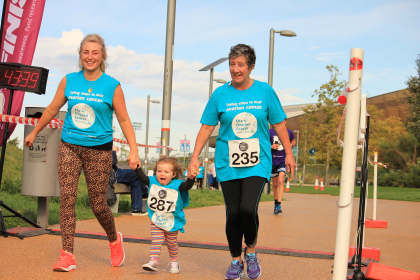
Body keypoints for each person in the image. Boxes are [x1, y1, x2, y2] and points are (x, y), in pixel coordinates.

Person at [24, 34, 140, 272]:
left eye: (95, 53)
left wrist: (134, 150)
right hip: (69, 146)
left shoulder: (112, 85)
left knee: (98, 204)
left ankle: (113, 238)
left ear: (102, 56)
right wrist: (34, 132)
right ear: (80, 55)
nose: (90, 57)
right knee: (67, 199)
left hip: (99, 151)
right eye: (86, 52)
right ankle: (67, 254)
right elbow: (52, 108)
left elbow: (125, 119)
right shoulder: (69, 81)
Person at [188, 44, 295, 280]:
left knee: (248, 208)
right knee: (233, 213)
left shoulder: (265, 91)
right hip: (228, 161)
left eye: (241, 65)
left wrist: (288, 153)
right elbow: (206, 127)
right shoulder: (220, 95)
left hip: (258, 160)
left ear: (251, 67)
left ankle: (252, 253)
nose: (235, 69)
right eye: (232, 64)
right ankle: (235, 260)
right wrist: (194, 157)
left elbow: (279, 124)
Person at [135, 156, 197, 274]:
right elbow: (142, 178)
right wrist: (137, 167)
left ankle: (174, 261)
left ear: (173, 174)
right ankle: (153, 261)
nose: (162, 174)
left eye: (166, 172)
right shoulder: (152, 181)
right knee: (156, 240)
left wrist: (191, 178)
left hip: (172, 221)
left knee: (171, 243)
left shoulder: (178, 184)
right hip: (157, 219)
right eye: (159, 171)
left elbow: (187, 186)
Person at [112, 145, 148, 216]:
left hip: (116, 173)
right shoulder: (99, 148)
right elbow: (112, 162)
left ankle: (136, 209)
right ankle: (144, 192)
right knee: (136, 172)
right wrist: (113, 151)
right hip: (113, 175)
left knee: (136, 182)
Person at [270, 119, 296, 214]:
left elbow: (293, 142)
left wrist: (290, 144)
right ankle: (275, 202)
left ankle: (279, 204)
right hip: (272, 160)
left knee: (281, 180)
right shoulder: (269, 132)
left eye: (282, 120)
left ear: (285, 121)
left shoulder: (289, 132)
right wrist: (271, 146)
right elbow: (263, 144)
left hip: (282, 160)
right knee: (275, 183)